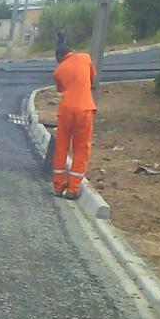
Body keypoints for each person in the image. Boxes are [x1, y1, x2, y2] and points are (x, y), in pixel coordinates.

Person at [51, 41, 97, 200]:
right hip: (84, 109)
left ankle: (58, 186)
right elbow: (92, 78)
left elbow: (61, 89)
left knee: (61, 147)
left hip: (65, 111)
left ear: (58, 57)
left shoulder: (58, 71)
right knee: (81, 149)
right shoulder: (85, 58)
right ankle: (73, 189)